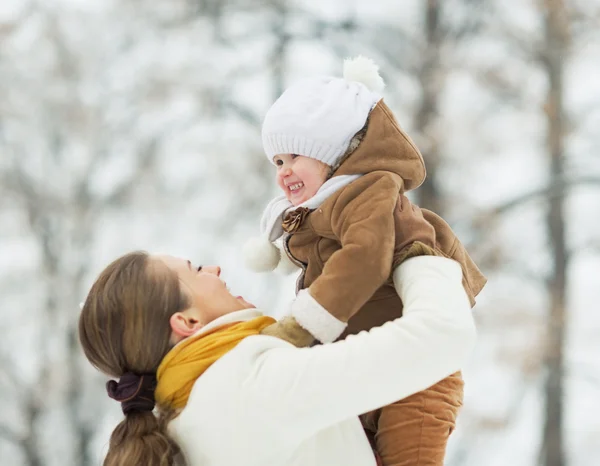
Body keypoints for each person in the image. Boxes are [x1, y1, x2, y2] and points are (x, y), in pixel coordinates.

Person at [243, 56, 487, 466]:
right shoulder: (321, 210)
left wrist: (302, 326)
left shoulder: (367, 190)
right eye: (278, 163)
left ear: (336, 152)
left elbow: (365, 257)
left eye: (295, 157)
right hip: (362, 374)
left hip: (417, 381)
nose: (284, 172)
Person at [79, 251, 476, 466]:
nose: (214, 268)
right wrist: (419, 256)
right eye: (196, 269)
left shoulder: (179, 424)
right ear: (186, 321)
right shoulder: (245, 388)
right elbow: (441, 335)